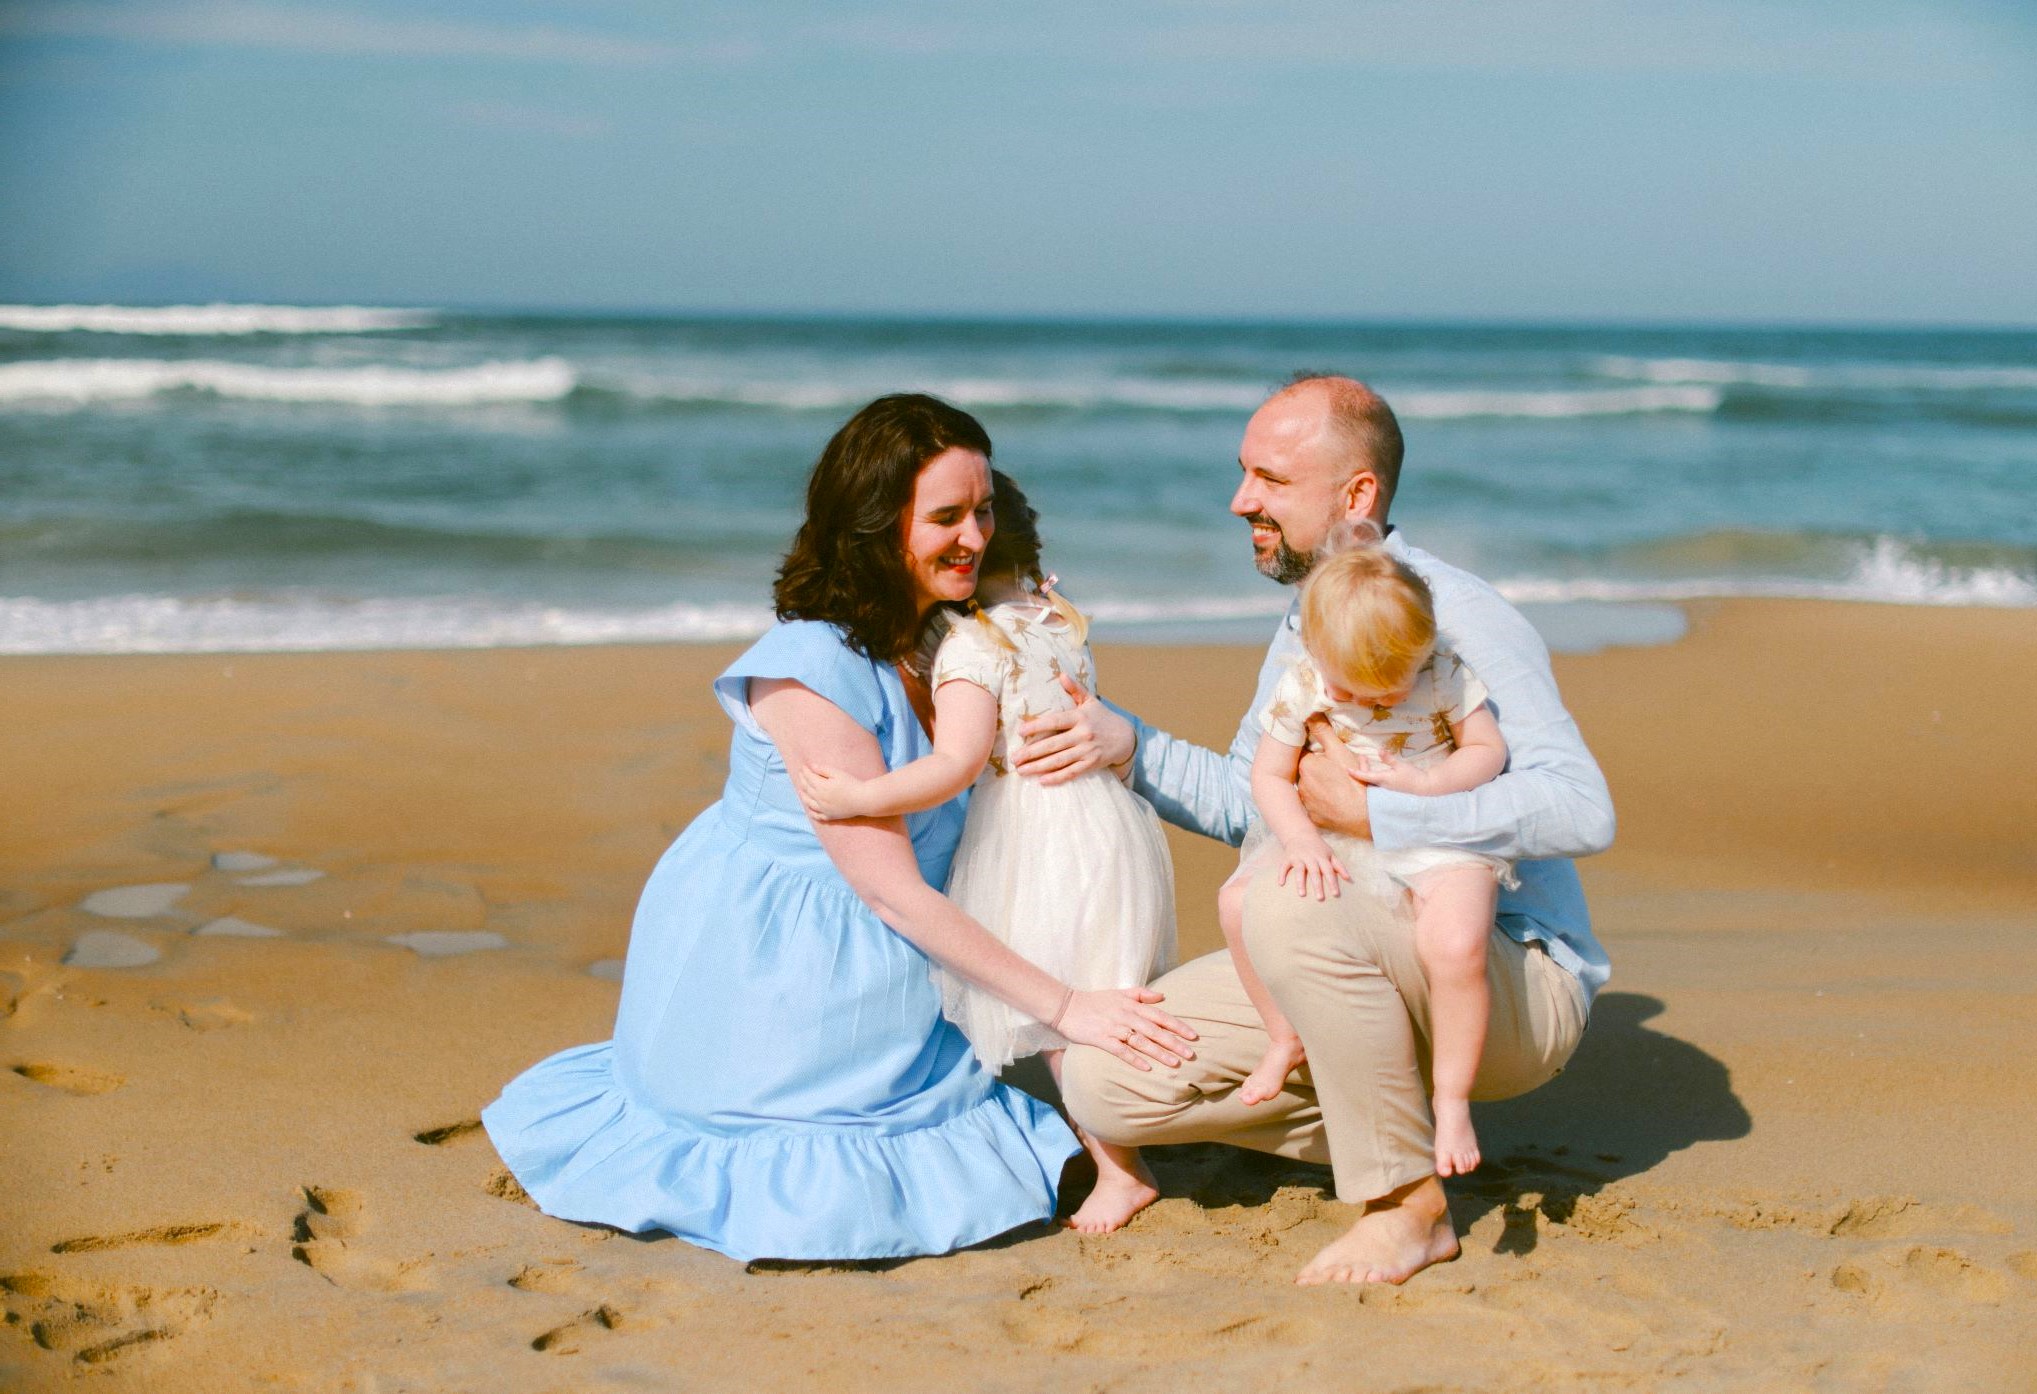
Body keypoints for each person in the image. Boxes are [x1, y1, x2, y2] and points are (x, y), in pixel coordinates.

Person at [482, 394, 1196, 1264]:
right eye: (945, 518)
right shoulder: (812, 669)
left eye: (984, 510)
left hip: (920, 923)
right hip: (796, 949)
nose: (974, 537)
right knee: (830, 1138)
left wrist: (1111, 738)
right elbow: (890, 893)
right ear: (872, 527)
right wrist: (1066, 1004)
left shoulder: (950, 633)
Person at [1028, 374, 1615, 1286]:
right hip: (1352, 941)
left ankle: (1406, 1206)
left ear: (1357, 496)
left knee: (1285, 908)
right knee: (1109, 1084)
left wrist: (1384, 809)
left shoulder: (1450, 615)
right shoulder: (1305, 617)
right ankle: (1378, 1098)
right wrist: (1127, 745)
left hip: (1499, 969)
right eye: (1242, 473)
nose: (1240, 500)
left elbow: (1581, 805)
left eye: (1269, 479)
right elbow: (1250, 799)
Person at [794, 469, 1176, 1233]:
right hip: (1108, 822)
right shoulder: (1058, 619)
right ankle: (1141, 1128)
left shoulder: (971, 646)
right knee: (1105, 983)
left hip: (1035, 833)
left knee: (1055, 1014)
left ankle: (1120, 1171)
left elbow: (956, 765)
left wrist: (861, 797)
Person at [1220, 540, 1514, 1181]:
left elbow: (1487, 749)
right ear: (1318, 655)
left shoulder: (1443, 672)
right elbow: (1268, 777)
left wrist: (1428, 783)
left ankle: (1452, 1098)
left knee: (1457, 943)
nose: (1369, 701)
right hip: (1332, 834)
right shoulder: (1304, 681)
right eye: (1349, 686)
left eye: (1389, 687)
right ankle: (1283, 1036)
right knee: (1236, 903)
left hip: (1435, 832)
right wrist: (1299, 840)